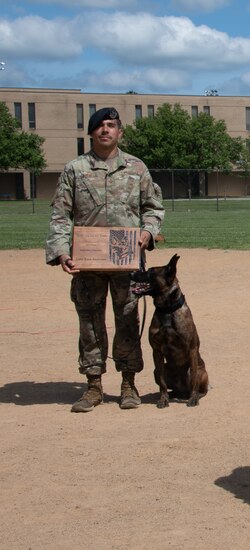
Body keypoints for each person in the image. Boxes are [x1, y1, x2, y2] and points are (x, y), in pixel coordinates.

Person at [45, 108, 165, 412]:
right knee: (89, 322)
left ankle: (128, 384)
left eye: (111, 126)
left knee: (127, 319)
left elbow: (153, 207)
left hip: (125, 258)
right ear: (91, 133)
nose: (105, 130)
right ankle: (93, 386)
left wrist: (148, 232)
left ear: (120, 133)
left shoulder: (136, 168)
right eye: (99, 126)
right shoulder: (75, 169)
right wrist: (61, 251)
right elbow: (60, 215)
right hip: (88, 262)